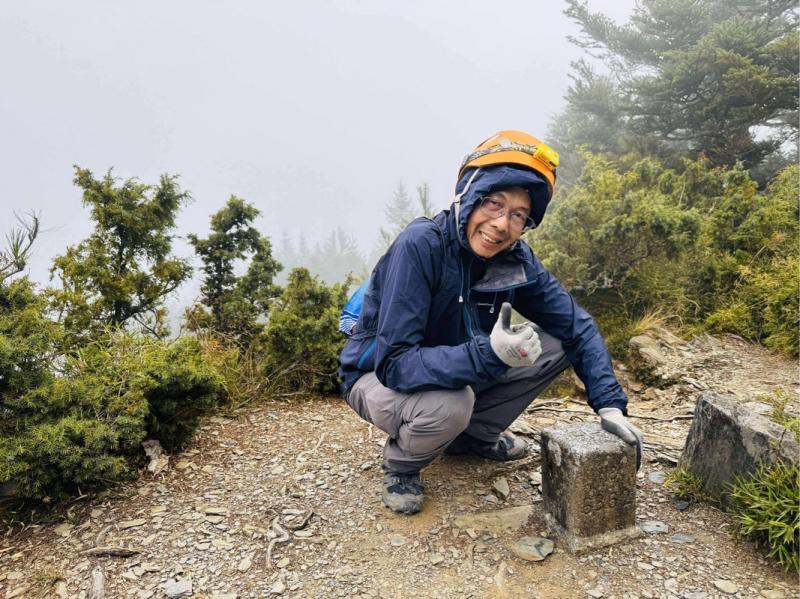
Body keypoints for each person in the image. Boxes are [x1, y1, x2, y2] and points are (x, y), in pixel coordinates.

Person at [338, 130, 642, 515]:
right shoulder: (422, 245)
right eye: (494, 203)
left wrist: (610, 406)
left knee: (555, 341)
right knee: (451, 404)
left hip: (455, 369)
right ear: (468, 195)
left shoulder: (514, 261)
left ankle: (473, 437)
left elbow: (577, 327)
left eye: (518, 215)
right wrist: (489, 353)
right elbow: (396, 364)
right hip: (375, 375)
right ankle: (402, 466)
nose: (501, 224)